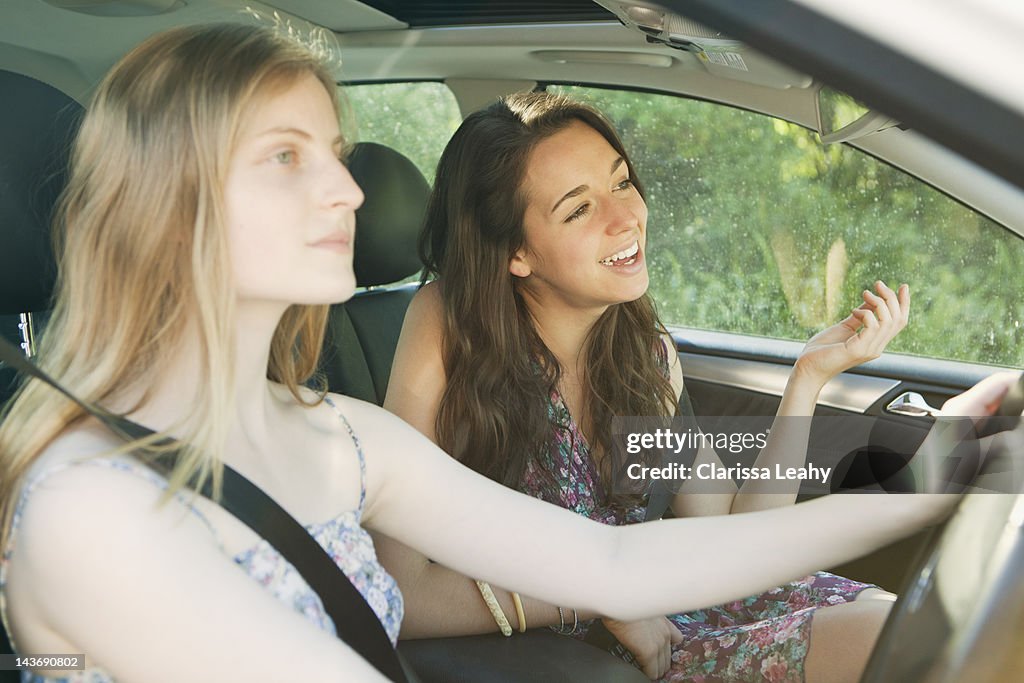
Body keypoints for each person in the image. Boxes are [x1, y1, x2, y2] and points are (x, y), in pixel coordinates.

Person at [0, 24, 971, 683]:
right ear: (171, 202)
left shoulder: (347, 432)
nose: (349, 189)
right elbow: (590, 581)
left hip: (692, 611)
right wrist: (582, 605)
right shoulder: (91, 502)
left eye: (333, 151)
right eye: (286, 156)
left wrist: (959, 472)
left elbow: (627, 558)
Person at [378, 92, 1016, 682]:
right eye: (578, 208)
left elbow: (732, 541)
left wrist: (807, 378)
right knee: (914, 642)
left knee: (924, 616)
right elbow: (396, 595)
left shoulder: (640, 347)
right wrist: (592, 595)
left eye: (622, 181)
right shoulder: (445, 326)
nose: (626, 216)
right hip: (596, 646)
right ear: (515, 251)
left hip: (679, 599)